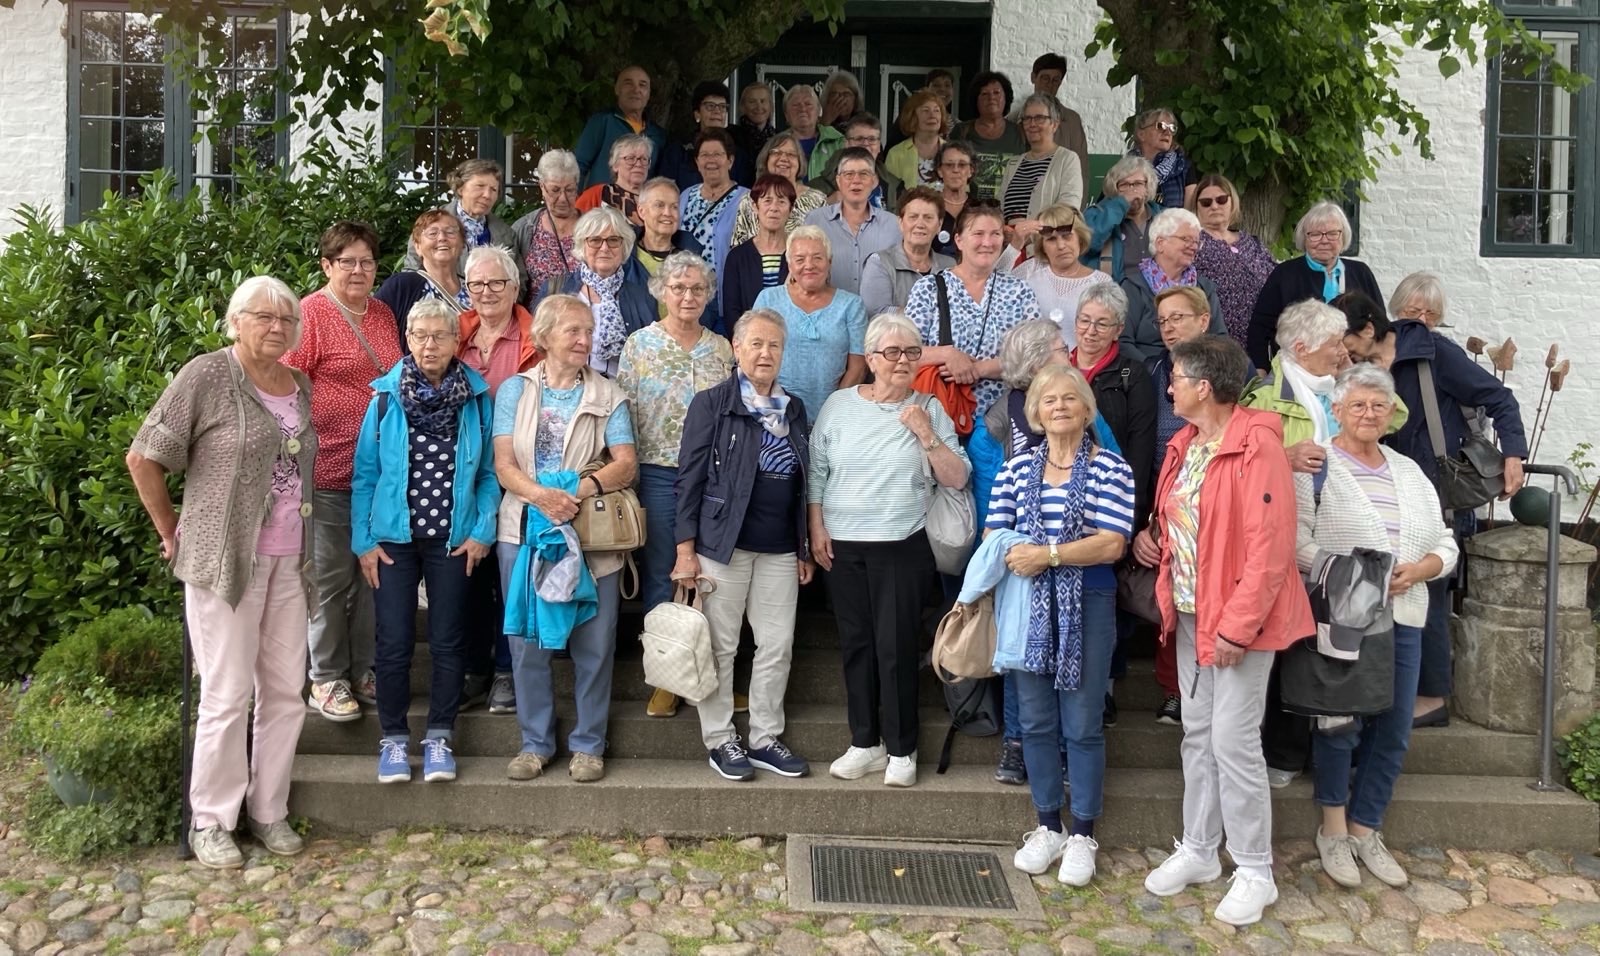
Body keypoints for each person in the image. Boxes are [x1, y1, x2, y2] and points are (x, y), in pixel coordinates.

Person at [126, 276, 316, 868]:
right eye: (262, 317)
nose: (275, 328)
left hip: (292, 558)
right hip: (225, 561)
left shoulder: (299, 383)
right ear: (235, 321)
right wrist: (169, 530)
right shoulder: (206, 375)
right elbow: (144, 455)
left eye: (285, 319)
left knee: (286, 692)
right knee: (228, 693)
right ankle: (211, 818)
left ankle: (269, 809)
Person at [1134, 336, 1311, 927]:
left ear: (1203, 386)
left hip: (1239, 620)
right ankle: (1201, 849)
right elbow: (1184, 519)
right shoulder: (1185, 444)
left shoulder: (1257, 446)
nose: (1169, 387)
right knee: (1197, 731)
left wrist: (1236, 628)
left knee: (1234, 741)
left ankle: (1255, 868)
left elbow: (1270, 548)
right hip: (1190, 609)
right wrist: (1156, 536)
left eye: (1177, 378)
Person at [1296, 364, 1458, 890]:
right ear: (1336, 411)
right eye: (1357, 405)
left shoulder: (1410, 471)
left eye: (1378, 406)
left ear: (1392, 414)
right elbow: (1296, 542)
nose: (1368, 414)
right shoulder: (1316, 467)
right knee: (1339, 725)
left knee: (1394, 727)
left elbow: (1445, 542)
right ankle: (1333, 830)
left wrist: (1425, 568)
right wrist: (1354, 576)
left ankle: (1367, 829)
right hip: (1345, 617)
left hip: (1406, 614)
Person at [1345, 273, 1528, 728]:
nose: (1422, 320)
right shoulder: (1361, 364)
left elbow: (1499, 397)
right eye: (1414, 312)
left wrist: (1514, 455)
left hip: (1436, 494)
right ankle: (1393, 689)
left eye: (1431, 314)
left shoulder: (1434, 354)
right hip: (1383, 492)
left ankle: (1430, 698)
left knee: (1429, 594)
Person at [809, 312, 971, 788]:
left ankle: (902, 748)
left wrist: (925, 432)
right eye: (893, 353)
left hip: (902, 544)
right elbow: (817, 472)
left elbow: (958, 478)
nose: (903, 361)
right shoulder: (838, 405)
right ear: (873, 358)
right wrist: (817, 528)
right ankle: (865, 742)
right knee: (856, 645)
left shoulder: (930, 406)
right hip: (843, 544)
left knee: (896, 647)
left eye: (912, 353)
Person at [996, 364, 1136, 886]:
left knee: (1081, 722)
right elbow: (998, 537)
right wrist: (1029, 557)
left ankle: (1082, 834)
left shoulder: (1110, 469)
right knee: (1034, 719)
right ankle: (1047, 824)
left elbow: (1112, 542)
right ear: (1035, 412)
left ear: (1086, 409)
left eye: (1069, 399)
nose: (1058, 407)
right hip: (1027, 602)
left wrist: (1048, 554)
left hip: (1090, 601)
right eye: (1048, 400)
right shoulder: (1015, 469)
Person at [353, 298, 499, 785]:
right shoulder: (383, 400)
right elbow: (365, 477)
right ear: (407, 340)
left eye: (439, 336)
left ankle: (440, 736)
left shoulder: (477, 399)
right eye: (420, 336)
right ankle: (393, 740)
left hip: (453, 541)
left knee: (448, 640)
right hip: (393, 541)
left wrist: (483, 531)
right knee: (392, 642)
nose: (429, 345)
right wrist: (363, 541)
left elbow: (489, 475)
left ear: (457, 342)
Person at [493, 294, 637, 783]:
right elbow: (503, 465)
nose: (583, 340)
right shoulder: (515, 391)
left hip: (590, 533)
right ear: (545, 337)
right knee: (527, 642)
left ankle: (589, 745)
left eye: (588, 332)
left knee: (594, 642)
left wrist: (579, 489)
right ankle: (535, 743)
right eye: (573, 331)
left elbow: (626, 462)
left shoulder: (608, 393)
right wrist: (543, 497)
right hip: (524, 529)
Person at [673, 308, 815, 781]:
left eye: (774, 345)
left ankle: (764, 738)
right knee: (720, 646)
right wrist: (685, 549)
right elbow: (689, 480)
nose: (765, 353)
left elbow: (804, 481)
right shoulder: (712, 404)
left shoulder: (794, 409)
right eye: (755, 343)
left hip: (778, 548)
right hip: (722, 545)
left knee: (777, 644)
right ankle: (720, 739)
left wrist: (802, 547)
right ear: (737, 349)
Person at [283, 221, 404, 721]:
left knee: (374, 577)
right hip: (327, 469)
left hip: (379, 476)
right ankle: (326, 678)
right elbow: (287, 388)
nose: (359, 270)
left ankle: (364, 670)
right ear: (326, 265)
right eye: (347, 261)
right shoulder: (310, 314)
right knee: (330, 580)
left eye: (367, 261)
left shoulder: (380, 314)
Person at [1242, 299, 1360, 788]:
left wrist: (1355, 376)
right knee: (1290, 644)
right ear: (1303, 346)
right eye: (1335, 342)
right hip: (1287, 535)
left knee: (1334, 644)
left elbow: (1392, 415)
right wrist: (1283, 455)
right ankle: (1283, 753)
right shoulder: (1266, 394)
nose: (1343, 350)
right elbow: (1241, 457)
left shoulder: (1342, 389)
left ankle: (1324, 755)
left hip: (1342, 526)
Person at [616, 252, 736, 718]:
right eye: (679, 288)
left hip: (716, 476)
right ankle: (667, 678)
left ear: (708, 295)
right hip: (660, 473)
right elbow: (622, 414)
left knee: (719, 581)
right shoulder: (639, 345)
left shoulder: (723, 348)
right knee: (665, 574)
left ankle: (715, 679)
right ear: (662, 292)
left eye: (698, 289)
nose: (688, 296)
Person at [454, 245, 542, 715]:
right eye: (476, 285)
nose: (486, 293)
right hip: (463, 476)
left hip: (519, 473)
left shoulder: (534, 339)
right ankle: (474, 670)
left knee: (512, 581)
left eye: (496, 284)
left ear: (515, 287)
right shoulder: (455, 337)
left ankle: (507, 672)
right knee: (468, 574)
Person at [1144, 285, 1220, 725]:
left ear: (1203, 320)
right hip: (1166, 491)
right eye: (1164, 320)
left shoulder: (1230, 366)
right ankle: (1174, 689)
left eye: (1179, 317)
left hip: (1213, 492)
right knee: (1170, 593)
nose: (1170, 326)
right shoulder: (1155, 369)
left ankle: (1203, 689)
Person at [906, 203, 1043, 421]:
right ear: (959, 240)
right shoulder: (929, 288)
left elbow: (1037, 356)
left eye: (995, 234)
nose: (987, 243)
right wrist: (947, 354)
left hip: (1004, 421)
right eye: (978, 234)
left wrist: (980, 369)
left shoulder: (1019, 291)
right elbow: (905, 351)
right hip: (940, 417)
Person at [1247, 200, 1383, 370]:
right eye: (1316, 234)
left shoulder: (1361, 273)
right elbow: (1259, 328)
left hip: (1355, 370)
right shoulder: (1284, 274)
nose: (1324, 240)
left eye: (1333, 233)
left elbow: (1381, 326)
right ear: (1305, 238)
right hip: (1298, 370)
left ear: (1343, 237)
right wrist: (1261, 368)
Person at [754, 225, 869, 417]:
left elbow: (858, 367)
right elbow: (753, 356)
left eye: (817, 258)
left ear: (829, 262)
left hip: (833, 415)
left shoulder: (851, 305)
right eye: (800, 259)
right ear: (790, 265)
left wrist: (833, 412)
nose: (809, 265)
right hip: (774, 414)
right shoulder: (768, 300)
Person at [1069, 285, 1157, 521]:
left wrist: (1132, 508)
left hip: (1112, 493)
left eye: (1102, 324)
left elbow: (1141, 446)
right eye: (1084, 320)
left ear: (1118, 330)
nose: (1090, 331)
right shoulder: (1059, 370)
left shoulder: (1133, 374)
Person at [541, 206, 656, 376]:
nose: (604, 248)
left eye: (613, 240)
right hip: (571, 389)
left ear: (624, 247)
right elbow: (538, 344)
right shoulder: (556, 290)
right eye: (595, 240)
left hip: (623, 394)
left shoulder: (642, 295)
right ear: (582, 245)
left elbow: (653, 352)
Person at [1119, 208, 1226, 361]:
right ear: (1160, 243)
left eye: (1196, 242)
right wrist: (1154, 372)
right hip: (1147, 375)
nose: (1194, 247)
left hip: (1197, 371)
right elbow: (1124, 342)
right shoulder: (1133, 287)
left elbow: (1220, 339)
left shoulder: (1204, 288)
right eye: (1186, 239)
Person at [1189, 173, 1276, 349]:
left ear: (1232, 202)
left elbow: (1277, 280)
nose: (1214, 206)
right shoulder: (1192, 243)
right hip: (1216, 342)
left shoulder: (1252, 242)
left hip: (1259, 340)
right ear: (1196, 208)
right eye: (1206, 202)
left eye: (1221, 200)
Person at [802, 147, 903, 295]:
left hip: (878, 315)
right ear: (838, 181)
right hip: (829, 312)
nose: (856, 181)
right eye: (849, 174)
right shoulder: (815, 220)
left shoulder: (893, 225)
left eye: (864, 174)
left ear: (874, 181)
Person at [403, 159, 524, 280]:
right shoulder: (430, 223)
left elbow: (518, 280)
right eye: (480, 186)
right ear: (460, 188)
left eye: (493, 189)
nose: (487, 195)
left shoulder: (506, 234)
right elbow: (412, 271)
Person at [1004, 203, 1111, 339]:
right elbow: (992, 287)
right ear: (1042, 246)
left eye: (1067, 236)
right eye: (1051, 239)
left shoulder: (1100, 283)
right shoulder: (1031, 270)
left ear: (1080, 237)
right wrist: (1015, 246)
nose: (1061, 245)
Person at [1000, 94, 1084, 248]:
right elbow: (1001, 209)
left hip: (1043, 249)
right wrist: (1004, 230)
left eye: (1039, 118)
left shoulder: (1068, 159)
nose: (1032, 124)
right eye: (1027, 118)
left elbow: (1068, 210)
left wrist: (1029, 234)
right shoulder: (1013, 163)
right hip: (1010, 249)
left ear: (1054, 124)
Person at [378, 211, 470, 352]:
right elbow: (373, 332)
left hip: (469, 373)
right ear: (417, 246)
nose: (442, 238)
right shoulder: (401, 286)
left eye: (450, 232)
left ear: (462, 244)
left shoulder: (476, 288)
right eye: (432, 233)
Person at [678, 129, 750, 310]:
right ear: (697, 162)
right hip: (686, 294)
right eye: (704, 155)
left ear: (730, 161)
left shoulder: (747, 200)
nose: (711, 160)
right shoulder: (686, 195)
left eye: (717, 154)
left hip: (724, 295)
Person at [860, 187, 956, 317]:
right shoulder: (880, 262)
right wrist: (932, 313)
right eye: (913, 217)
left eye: (928, 218)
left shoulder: (950, 266)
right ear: (900, 223)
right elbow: (875, 313)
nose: (920, 224)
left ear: (939, 225)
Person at [729, 132, 830, 246]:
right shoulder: (750, 200)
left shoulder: (817, 200)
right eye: (776, 153)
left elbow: (826, 246)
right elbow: (738, 248)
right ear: (766, 160)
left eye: (791, 154)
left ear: (800, 162)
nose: (783, 158)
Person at [575, 65, 667, 190]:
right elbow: (579, 166)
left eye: (643, 85)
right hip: (601, 205)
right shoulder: (602, 122)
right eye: (628, 83)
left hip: (640, 206)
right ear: (617, 89)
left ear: (649, 94)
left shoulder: (657, 134)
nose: (636, 90)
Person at [512, 149, 582, 311]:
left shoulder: (592, 228)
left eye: (569, 190)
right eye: (555, 190)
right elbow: (514, 284)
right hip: (535, 322)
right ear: (542, 187)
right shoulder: (525, 228)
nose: (563, 198)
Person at [1011, 52, 1090, 190]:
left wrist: (1075, 210)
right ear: (1033, 77)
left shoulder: (1071, 121)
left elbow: (1081, 170)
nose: (1050, 85)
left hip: (1059, 198)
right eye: (1045, 78)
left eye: (1055, 80)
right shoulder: (1013, 119)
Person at [722, 174, 795, 322]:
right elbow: (731, 310)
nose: (774, 208)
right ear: (755, 206)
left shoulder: (798, 255)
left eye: (781, 201)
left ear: (791, 208)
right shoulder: (737, 257)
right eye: (767, 201)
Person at [630, 178, 705, 322]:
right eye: (659, 205)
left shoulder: (693, 256)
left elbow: (707, 308)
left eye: (674, 207)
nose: (667, 213)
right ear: (641, 211)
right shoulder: (625, 256)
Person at [1082, 156, 1163, 282]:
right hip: (1115, 292)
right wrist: (1121, 204)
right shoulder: (1097, 213)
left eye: (1138, 183)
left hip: (1158, 292)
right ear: (1115, 189)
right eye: (1124, 185)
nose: (1132, 190)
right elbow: (1089, 243)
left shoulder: (1162, 215)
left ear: (1147, 187)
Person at [950, 72, 1025, 202]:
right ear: (976, 100)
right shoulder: (961, 131)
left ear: (1006, 97)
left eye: (997, 93)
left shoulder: (1021, 132)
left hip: (1010, 212)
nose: (991, 98)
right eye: (984, 94)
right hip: (969, 211)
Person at [811, 113, 904, 210]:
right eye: (859, 139)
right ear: (846, 144)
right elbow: (800, 220)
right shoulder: (818, 186)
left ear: (879, 146)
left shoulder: (896, 186)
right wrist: (826, 205)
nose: (866, 144)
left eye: (872, 139)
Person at [658, 81, 737, 190]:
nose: (717, 111)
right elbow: (664, 189)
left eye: (722, 107)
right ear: (697, 113)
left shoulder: (736, 151)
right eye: (710, 106)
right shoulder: (678, 151)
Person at [576, 135, 653, 226]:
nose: (639, 164)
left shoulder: (655, 199)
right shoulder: (597, 194)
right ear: (615, 165)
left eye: (644, 159)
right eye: (630, 158)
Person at [1128, 108, 1197, 209]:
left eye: (1172, 128)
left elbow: (1190, 215)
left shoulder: (1183, 167)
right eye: (1161, 126)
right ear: (1141, 134)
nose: (1167, 132)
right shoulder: (1124, 170)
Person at [782, 85, 845, 184]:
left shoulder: (838, 141)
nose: (802, 109)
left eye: (808, 104)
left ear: (818, 111)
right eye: (795, 105)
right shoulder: (776, 144)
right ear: (786, 115)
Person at [884, 89, 947, 188]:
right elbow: (890, 195)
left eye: (936, 110)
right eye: (926, 110)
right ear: (913, 117)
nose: (932, 115)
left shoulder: (952, 152)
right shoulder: (896, 154)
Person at [933, 140, 978, 257]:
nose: (956, 170)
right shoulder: (929, 206)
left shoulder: (979, 209)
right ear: (939, 171)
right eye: (949, 165)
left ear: (971, 171)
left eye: (962, 165)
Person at [730, 82, 775, 187]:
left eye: (763, 101)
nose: (759, 106)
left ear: (770, 106)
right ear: (743, 107)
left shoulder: (779, 138)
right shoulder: (732, 135)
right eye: (752, 101)